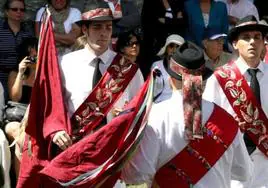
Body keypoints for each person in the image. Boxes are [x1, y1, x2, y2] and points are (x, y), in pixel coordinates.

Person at [17, 2, 144, 187]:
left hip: (110, 155)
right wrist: (55, 129)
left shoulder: (129, 71)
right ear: (84, 29)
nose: (103, 33)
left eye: (108, 27)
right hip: (73, 151)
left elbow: (138, 111)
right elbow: (49, 104)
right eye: (97, 27)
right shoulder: (64, 64)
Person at [121, 41, 253, 187]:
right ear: (203, 79)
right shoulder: (226, 120)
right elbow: (244, 171)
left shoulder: (155, 116)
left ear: (170, 78)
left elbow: (137, 175)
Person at [203, 15, 268, 188]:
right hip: (233, 164)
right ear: (234, 44)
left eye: (257, 37)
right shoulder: (219, 79)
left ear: (263, 42)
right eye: (246, 38)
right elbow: (205, 124)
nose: (252, 42)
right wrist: (227, 126)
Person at [4, 37, 37, 179]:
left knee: (23, 139)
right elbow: (15, 97)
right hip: (16, 117)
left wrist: (39, 71)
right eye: (30, 53)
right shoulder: (15, 73)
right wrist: (20, 72)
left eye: (36, 52)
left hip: (33, 117)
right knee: (21, 136)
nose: (33, 56)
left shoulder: (44, 75)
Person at [0, 0, 34, 98]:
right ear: (6, 12)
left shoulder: (28, 33)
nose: (19, 12)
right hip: (1, 78)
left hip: (20, 78)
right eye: (15, 9)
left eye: (22, 10)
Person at [151, 34, 185, 102]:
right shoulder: (156, 65)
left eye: (178, 46)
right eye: (171, 46)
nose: (174, 50)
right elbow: (151, 90)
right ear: (166, 48)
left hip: (178, 105)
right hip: (158, 105)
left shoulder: (187, 68)